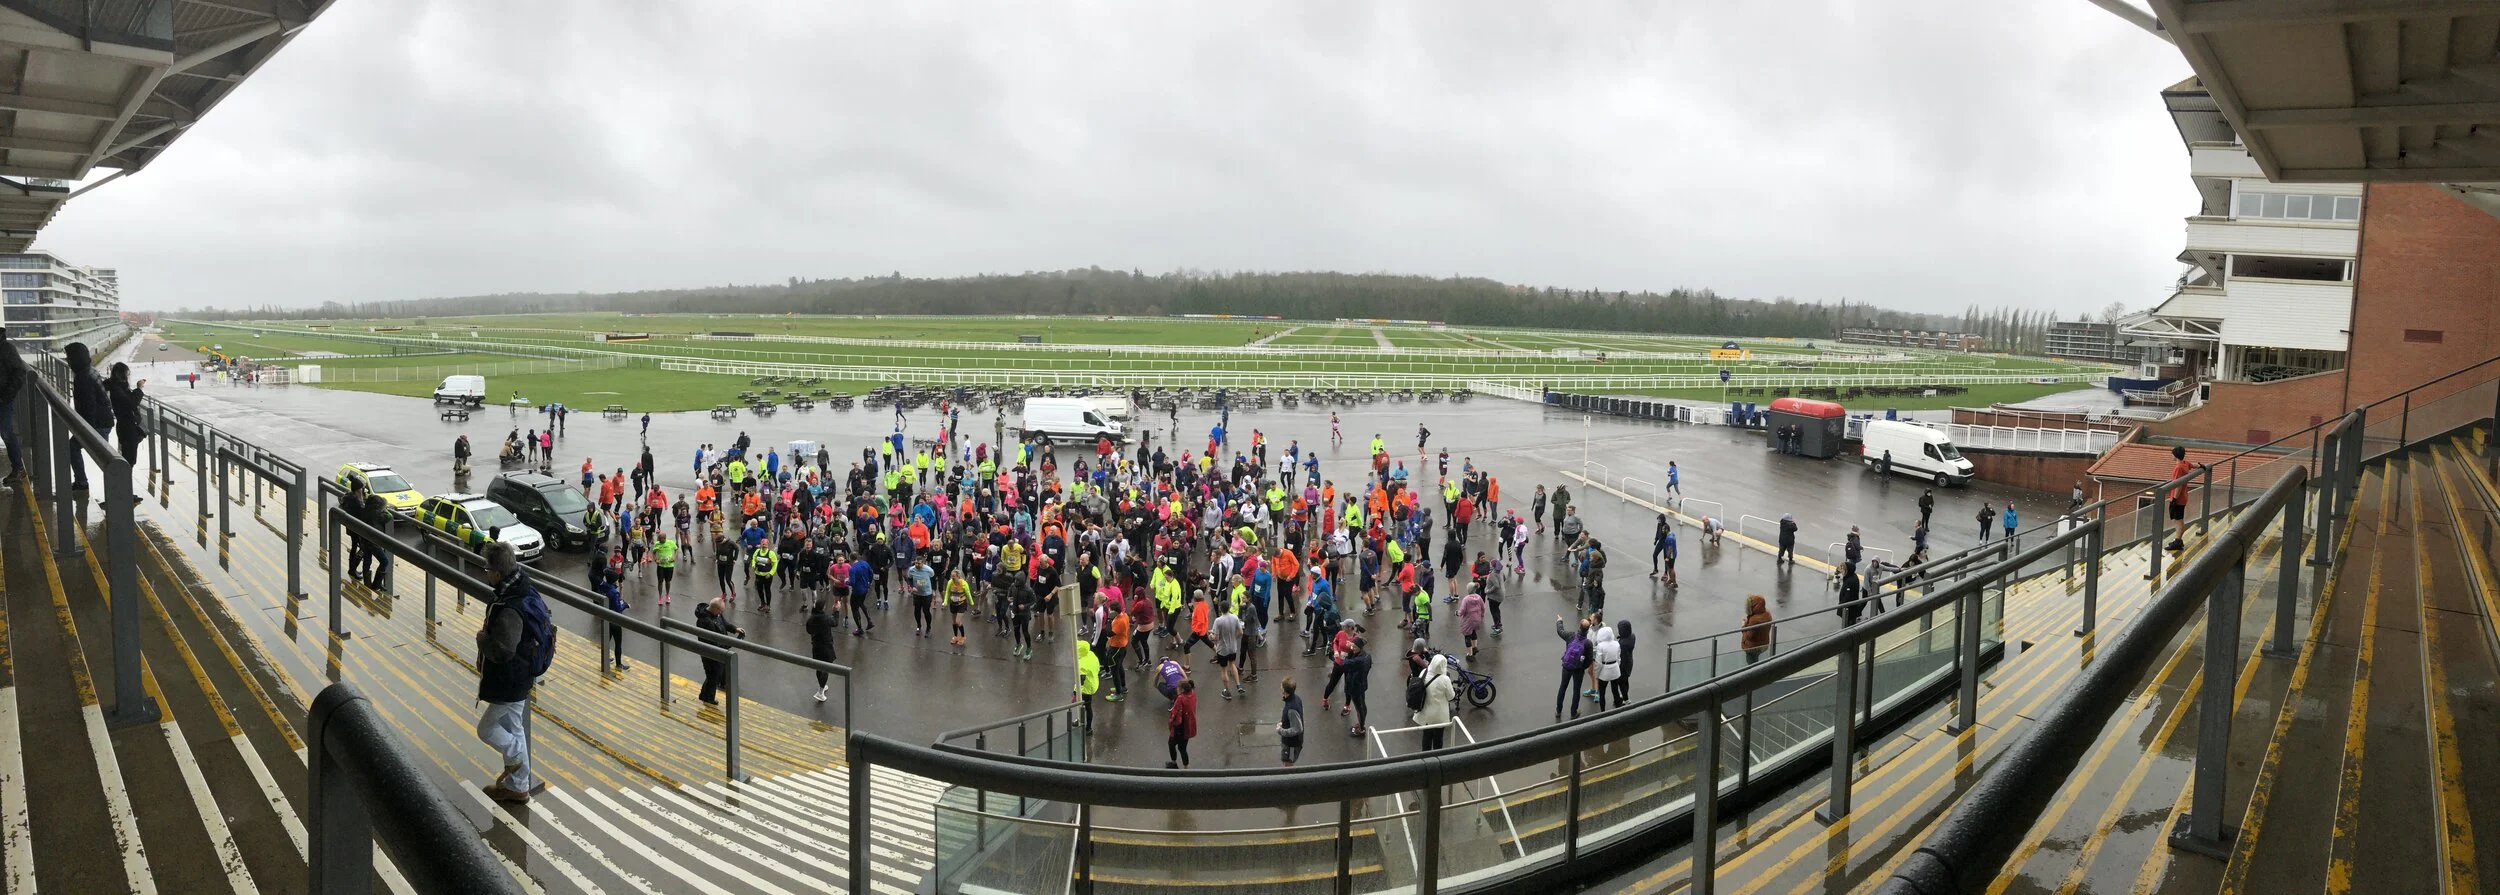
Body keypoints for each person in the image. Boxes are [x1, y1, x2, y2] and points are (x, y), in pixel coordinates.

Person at [474, 542, 550, 804]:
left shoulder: (510, 607)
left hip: (511, 680)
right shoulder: (522, 586)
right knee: (514, 727)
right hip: (523, 673)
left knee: (486, 730)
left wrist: (482, 639)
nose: (486, 573)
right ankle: (518, 788)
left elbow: (503, 651)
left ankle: (516, 760)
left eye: (487, 569)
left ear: (497, 573)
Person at [64, 342, 110, 494]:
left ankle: (82, 482)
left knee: (105, 459)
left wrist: (85, 430)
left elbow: (89, 406)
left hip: (97, 423)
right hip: (104, 421)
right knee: (105, 458)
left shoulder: (82, 377)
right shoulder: (90, 371)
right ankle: (83, 482)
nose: (67, 361)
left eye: (69, 358)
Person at [104, 363, 146, 471]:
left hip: (125, 427)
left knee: (129, 458)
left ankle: (124, 477)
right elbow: (131, 403)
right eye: (127, 374)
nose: (128, 376)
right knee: (129, 459)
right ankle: (124, 479)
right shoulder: (117, 389)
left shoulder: (116, 386)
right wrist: (139, 389)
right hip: (128, 428)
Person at [0, 326, 27, 484]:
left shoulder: (7, 348)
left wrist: (5, 397)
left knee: (7, 433)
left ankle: (18, 468)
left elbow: (20, 373)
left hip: (3, 400)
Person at [1555, 615, 1592, 721]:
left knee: (1563, 687)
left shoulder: (1571, 636)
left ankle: (1558, 711)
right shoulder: (1588, 643)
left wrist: (1559, 621)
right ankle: (1573, 712)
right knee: (1576, 690)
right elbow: (1589, 660)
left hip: (1567, 666)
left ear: (1579, 626)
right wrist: (1582, 667)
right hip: (1578, 669)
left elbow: (1560, 631)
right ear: (1587, 629)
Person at [1415, 654, 1454, 750]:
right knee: (1438, 739)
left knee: (1426, 737)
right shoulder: (1445, 679)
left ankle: (1426, 757)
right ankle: (1437, 758)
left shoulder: (1424, 672)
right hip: (1439, 715)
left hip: (1425, 712)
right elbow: (1451, 696)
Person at [805, 600, 840, 702]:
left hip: (816, 646)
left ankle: (822, 686)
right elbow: (835, 622)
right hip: (826, 646)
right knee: (826, 668)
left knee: (819, 667)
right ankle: (820, 692)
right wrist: (836, 611)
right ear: (823, 608)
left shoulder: (811, 619)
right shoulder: (825, 618)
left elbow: (808, 631)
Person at [1341, 635, 1372, 737]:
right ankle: (1361, 723)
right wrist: (1352, 647)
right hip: (1362, 684)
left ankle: (1361, 728)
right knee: (1362, 705)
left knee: (1359, 708)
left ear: (1359, 647)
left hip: (1355, 686)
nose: (1352, 648)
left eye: (1354, 647)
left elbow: (1344, 663)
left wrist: (1349, 651)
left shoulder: (1359, 660)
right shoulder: (1367, 656)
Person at [2167, 445, 2194, 553]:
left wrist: (2174, 499)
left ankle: (2177, 541)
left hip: (2178, 498)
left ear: (2175, 455)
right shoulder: (2185, 464)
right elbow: (2193, 465)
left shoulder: (2178, 468)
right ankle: (2178, 540)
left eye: (2172, 454)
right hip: (2183, 497)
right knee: (2180, 519)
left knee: (2177, 521)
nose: (2171, 456)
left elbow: (2179, 485)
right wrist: (2201, 466)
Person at [1212, 606, 1243, 699]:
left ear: (1221, 609)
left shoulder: (1218, 620)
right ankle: (1238, 685)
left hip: (1222, 649)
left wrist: (1210, 636)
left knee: (1224, 669)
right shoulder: (1235, 617)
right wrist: (1234, 638)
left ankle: (1227, 691)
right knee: (1232, 664)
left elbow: (1215, 637)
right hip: (1233, 648)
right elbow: (1241, 632)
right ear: (1228, 608)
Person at [1166, 679, 1198, 768]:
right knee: (1182, 748)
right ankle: (1186, 767)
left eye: (1178, 688)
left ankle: (1174, 763)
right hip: (1188, 726)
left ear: (1182, 690)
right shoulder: (1192, 694)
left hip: (1179, 728)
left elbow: (1176, 715)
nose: (1177, 689)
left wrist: (1171, 724)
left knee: (1171, 744)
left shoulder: (1180, 698)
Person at [1590, 624, 1622, 710]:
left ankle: (1603, 710)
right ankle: (1618, 708)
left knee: (1602, 692)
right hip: (1615, 669)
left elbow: (1598, 662)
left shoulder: (1600, 646)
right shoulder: (1616, 644)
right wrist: (1617, 667)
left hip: (1605, 671)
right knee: (1615, 690)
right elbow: (1618, 658)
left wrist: (1596, 674)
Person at [1276, 677, 1306, 764]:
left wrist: (1280, 730)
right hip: (1291, 743)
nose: (1280, 686)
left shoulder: (1291, 708)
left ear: (1284, 690)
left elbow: (1298, 729)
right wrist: (1284, 722)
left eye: (1281, 685)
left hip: (1291, 745)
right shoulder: (1296, 698)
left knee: (1288, 762)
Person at [1073, 639, 1100, 731]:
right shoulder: (1091, 654)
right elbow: (1097, 667)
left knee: (1087, 707)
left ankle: (1088, 728)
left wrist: (1075, 692)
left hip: (1086, 688)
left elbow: (1080, 681)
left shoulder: (1081, 664)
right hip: (1093, 682)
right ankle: (1080, 720)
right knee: (1084, 706)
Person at [1609, 620, 1636, 710]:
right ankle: (1625, 697)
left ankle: (1626, 699)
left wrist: (1619, 670)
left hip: (1622, 666)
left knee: (1621, 683)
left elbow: (1622, 658)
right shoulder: (1632, 636)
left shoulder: (1622, 644)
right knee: (1625, 681)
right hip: (1629, 663)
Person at [1740, 595, 1773, 664]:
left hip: (1752, 647)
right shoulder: (1767, 613)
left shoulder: (1754, 620)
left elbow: (1749, 636)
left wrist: (1743, 626)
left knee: (1751, 664)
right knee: (1755, 660)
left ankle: (1754, 670)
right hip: (1764, 644)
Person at [1457, 587, 1486, 661]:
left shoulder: (1466, 599)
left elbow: (1462, 610)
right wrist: (1481, 616)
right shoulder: (1479, 597)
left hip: (1468, 620)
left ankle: (1470, 655)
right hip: (1477, 619)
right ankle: (1474, 647)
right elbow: (1483, 607)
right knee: (1473, 632)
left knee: (1467, 636)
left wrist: (1457, 613)